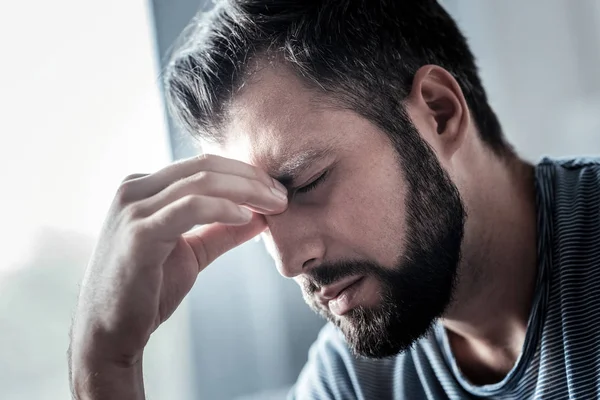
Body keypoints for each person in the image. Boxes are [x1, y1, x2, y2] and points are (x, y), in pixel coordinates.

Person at [68, 0, 600, 399]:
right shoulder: (355, 379)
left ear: (438, 113)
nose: (287, 261)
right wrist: (107, 363)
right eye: (258, 214)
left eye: (306, 181)